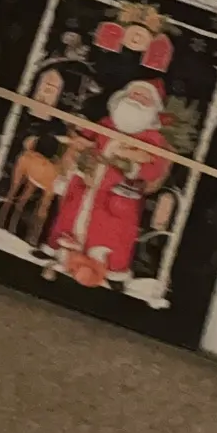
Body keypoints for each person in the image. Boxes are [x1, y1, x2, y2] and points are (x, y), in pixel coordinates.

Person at [46, 78, 171, 282]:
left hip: (117, 199)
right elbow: (84, 140)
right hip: (87, 187)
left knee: (108, 235)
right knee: (71, 220)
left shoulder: (153, 139)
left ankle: (105, 271)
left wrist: (132, 164)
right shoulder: (105, 124)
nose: (137, 100)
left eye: (144, 97)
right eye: (134, 94)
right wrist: (79, 145)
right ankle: (63, 258)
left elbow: (154, 170)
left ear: (153, 107)